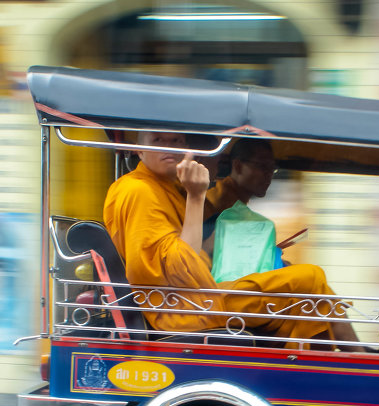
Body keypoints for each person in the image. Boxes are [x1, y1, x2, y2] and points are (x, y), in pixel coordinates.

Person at [102, 131, 362, 350]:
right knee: (311, 277)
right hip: (183, 309)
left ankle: (351, 359)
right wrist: (195, 195)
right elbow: (179, 268)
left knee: (307, 285)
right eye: (158, 141)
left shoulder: (164, 187)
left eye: (178, 141)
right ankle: (350, 362)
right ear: (137, 148)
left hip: (200, 296)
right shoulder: (138, 190)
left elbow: (193, 244)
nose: (171, 148)